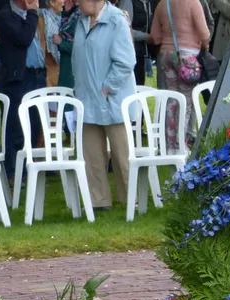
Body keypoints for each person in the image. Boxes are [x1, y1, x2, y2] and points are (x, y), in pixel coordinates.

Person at [72, 0, 136, 211]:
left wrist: (107, 88)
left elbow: (126, 62)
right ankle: (98, 201)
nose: (76, 2)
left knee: (122, 155)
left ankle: (129, 199)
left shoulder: (116, 20)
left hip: (113, 101)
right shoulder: (81, 21)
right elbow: (77, 59)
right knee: (91, 155)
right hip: (86, 99)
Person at [150, 0, 210, 150]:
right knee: (186, 100)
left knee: (171, 99)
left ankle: (169, 144)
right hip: (187, 57)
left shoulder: (163, 4)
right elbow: (205, 34)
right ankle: (181, 143)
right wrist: (204, 46)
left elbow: (155, 37)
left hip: (166, 55)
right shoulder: (193, 3)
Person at [0, 0, 45, 181]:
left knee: (34, 124)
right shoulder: (6, 16)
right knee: (16, 126)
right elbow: (24, 38)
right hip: (18, 78)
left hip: (37, 75)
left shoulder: (33, 15)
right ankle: (13, 172)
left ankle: (28, 168)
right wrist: (32, 13)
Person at [54, 0, 79, 88]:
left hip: (71, 67)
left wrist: (62, 43)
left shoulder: (83, 16)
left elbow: (81, 46)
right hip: (61, 64)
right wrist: (67, 12)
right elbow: (63, 26)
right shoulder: (73, 13)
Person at [44, 0, 63, 86]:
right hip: (51, 68)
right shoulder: (45, 18)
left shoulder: (61, 17)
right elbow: (52, 49)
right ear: (52, 2)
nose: (64, 1)